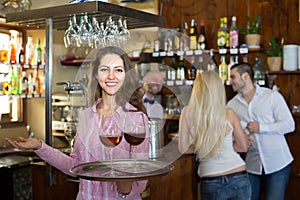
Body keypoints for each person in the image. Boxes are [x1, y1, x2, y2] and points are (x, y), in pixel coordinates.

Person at [6, 46, 150, 200]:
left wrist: (124, 187)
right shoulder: (87, 116)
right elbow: (75, 166)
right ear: (96, 74)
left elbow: (141, 182)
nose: (111, 76)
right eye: (104, 69)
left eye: (118, 70)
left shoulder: (136, 118)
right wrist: (40, 147)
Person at [178, 70, 251, 200]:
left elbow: (183, 148)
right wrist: (229, 144)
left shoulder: (187, 113)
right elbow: (243, 147)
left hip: (210, 178)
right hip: (238, 175)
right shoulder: (229, 113)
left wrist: (203, 146)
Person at [227, 62, 295, 200]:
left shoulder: (272, 96)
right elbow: (229, 133)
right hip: (252, 166)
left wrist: (261, 127)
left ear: (245, 76)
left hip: (278, 164)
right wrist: (238, 140)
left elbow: (289, 125)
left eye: (233, 77)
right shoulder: (231, 105)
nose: (230, 81)